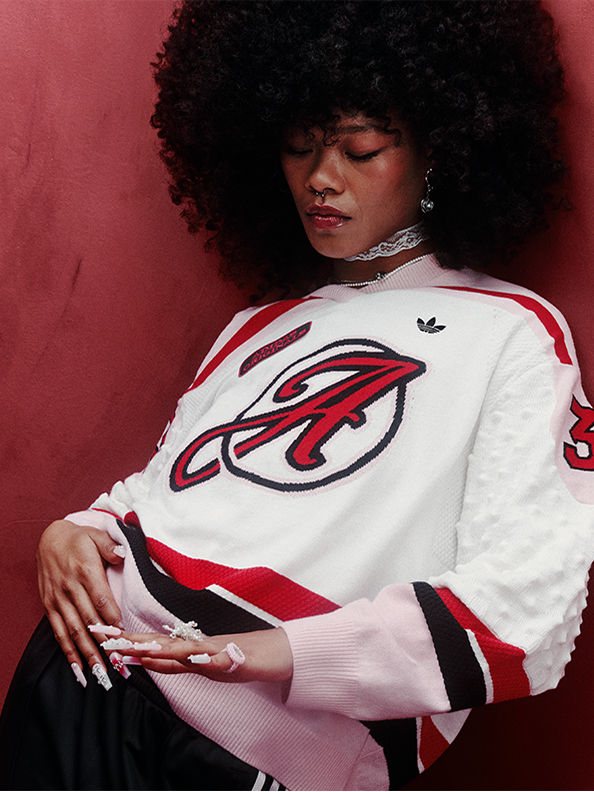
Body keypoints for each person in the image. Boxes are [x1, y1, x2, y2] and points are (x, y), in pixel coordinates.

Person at [1, 1, 593, 789]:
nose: (321, 177)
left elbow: (527, 608)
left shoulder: (513, 331)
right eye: (298, 147)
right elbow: (174, 487)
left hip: (245, 752)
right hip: (71, 675)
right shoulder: (260, 325)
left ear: (439, 152)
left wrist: (274, 655)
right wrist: (78, 529)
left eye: (360, 148)